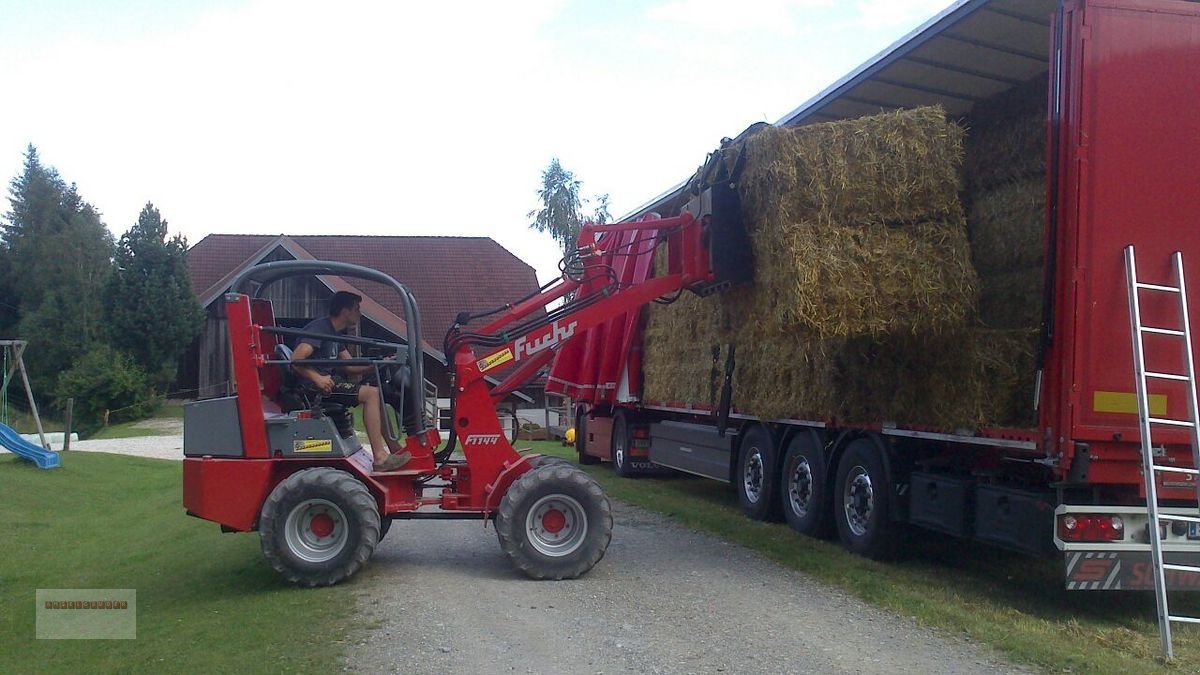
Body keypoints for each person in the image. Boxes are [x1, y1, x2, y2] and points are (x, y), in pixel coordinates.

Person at [290, 291, 411, 472]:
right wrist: (317, 378)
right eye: (356, 308)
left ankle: (393, 448)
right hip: (314, 388)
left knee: (374, 391)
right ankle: (379, 458)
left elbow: (350, 367)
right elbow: (296, 358)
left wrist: (378, 364)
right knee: (371, 394)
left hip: (329, 382)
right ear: (345, 310)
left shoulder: (335, 334)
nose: (359, 313)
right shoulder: (320, 329)